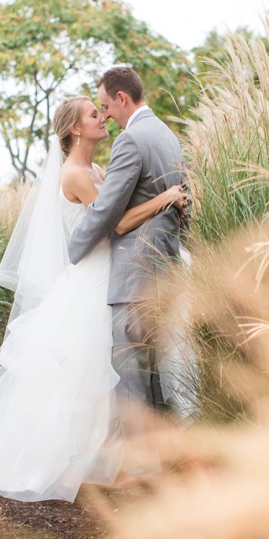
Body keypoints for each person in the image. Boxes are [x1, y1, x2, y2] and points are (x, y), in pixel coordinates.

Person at [0, 97, 186, 502]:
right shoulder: (74, 175)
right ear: (75, 129)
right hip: (92, 279)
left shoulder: (97, 170)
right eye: (93, 114)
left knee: (106, 370)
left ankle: (110, 457)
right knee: (89, 371)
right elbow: (117, 223)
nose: (102, 117)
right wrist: (165, 198)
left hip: (109, 273)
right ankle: (83, 460)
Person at [67, 67, 191, 430]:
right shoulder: (168, 135)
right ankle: (158, 457)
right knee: (154, 371)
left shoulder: (131, 140)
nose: (105, 114)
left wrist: (73, 250)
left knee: (132, 372)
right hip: (165, 268)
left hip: (135, 274)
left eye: (105, 105)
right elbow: (185, 200)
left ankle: (140, 465)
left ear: (122, 98)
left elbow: (107, 212)